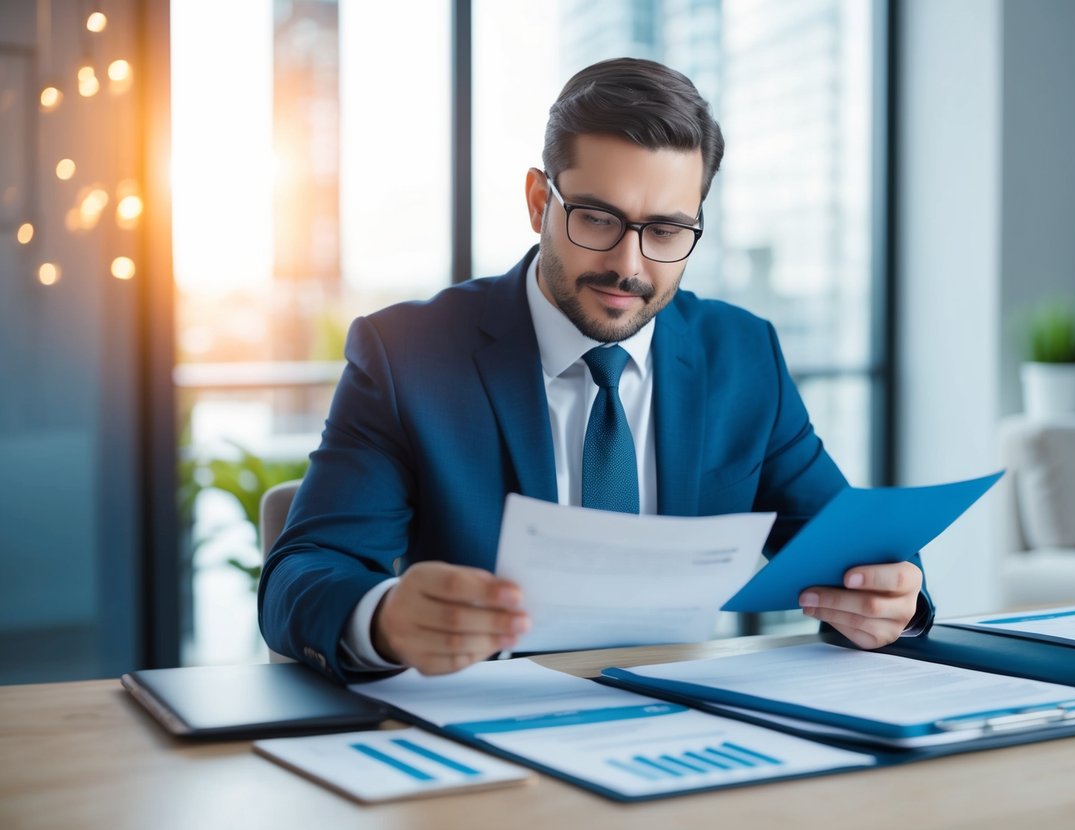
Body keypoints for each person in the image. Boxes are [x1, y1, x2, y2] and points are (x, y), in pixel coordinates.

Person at [259, 57, 933, 683]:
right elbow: (303, 572)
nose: (629, 267)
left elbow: (849, 550)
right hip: (488, 745)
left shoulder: (741, 353)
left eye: (666, 231)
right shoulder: (409, 353)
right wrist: (381, 616)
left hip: (687, 731)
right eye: (597, 218)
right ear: (536, 202)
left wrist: (891, 598)